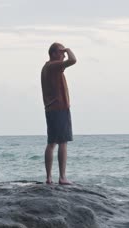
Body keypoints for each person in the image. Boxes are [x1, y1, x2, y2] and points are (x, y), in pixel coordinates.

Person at [41, 42, 77, 185]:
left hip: (51, 108)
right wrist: (68, 49)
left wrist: (63, 50)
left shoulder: (46, 67)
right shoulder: (53, 66)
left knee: (51, 143)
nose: (63, 55)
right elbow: (73, 60)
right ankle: (62, 177)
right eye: (61, 52)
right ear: (54, 53)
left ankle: (49, 177)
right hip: (59, 107)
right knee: (62, 142)